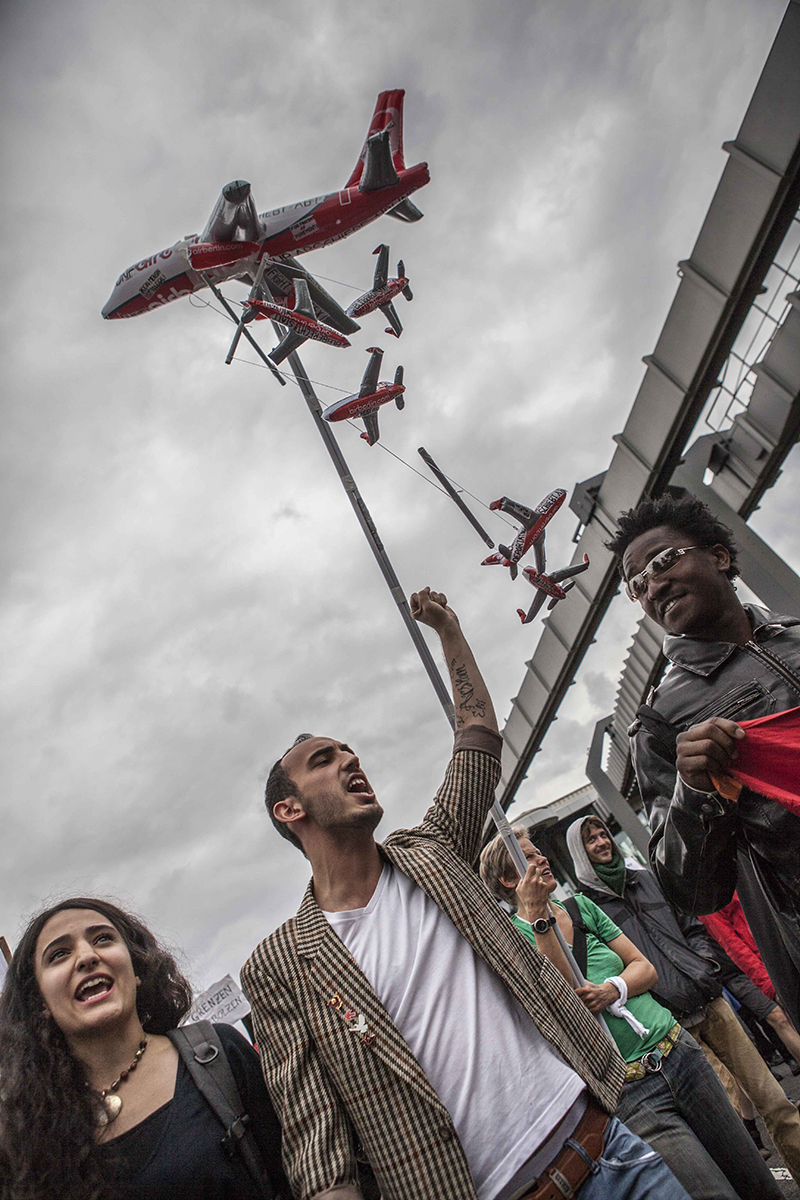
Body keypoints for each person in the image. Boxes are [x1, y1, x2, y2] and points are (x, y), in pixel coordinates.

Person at [242, 588, 690, 1200]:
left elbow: (477, 740)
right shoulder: (281, 965)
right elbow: (316, 1140)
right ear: (289, 809)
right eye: (325, 759)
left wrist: (449, 632)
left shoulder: (432, 851)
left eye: (350, 750)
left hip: (611, 1150)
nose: (349, 759)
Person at [479, 826, 782, 1200]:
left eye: (538, 851)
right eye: (527, 856)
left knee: (756, 1180)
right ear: (509, 880)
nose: (542, 858)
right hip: (632, 1091)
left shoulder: (581, 907)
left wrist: (613, 989)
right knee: (712, 1193)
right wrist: (539, 916)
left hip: (680, 1054)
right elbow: (563, 1002)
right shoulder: (511, 941)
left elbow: (645, 969)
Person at [606, 493, 800, 1030]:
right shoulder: (662, 723)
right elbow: (691, 890)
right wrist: (695, 791)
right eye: (637, 583)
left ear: (718, 556)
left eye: (664, 560)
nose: (652, 585)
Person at [0, 897, 288, 1200]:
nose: (86, 957)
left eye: (103, 939)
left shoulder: (220, 1055)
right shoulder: (23, 1133)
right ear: (40, 1002)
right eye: (59, 954)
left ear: (136, 967)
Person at [566, 814, 800, 1183]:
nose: (601, 842)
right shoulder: (588, 909)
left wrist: (703, 967)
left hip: (710, 1001)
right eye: (590, 839)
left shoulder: (646, 879)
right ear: (580, 853)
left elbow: (692, 925)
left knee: (775, 1101)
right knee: (730, 1123)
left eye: (602, 834)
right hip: (674, 1029)